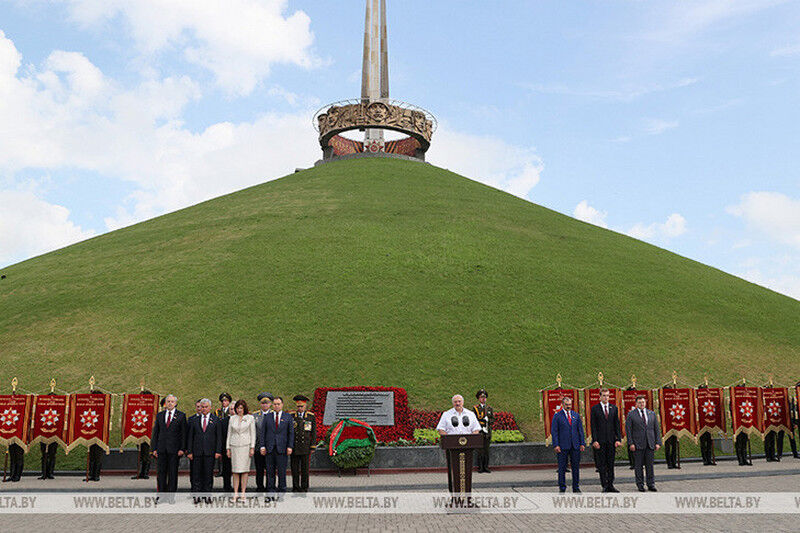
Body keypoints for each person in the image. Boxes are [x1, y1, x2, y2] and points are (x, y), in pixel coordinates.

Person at [151, 394, 186, 496]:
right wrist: (154, 448)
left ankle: (171, 495)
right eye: (168, 401)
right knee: (161, 473)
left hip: (174, 450)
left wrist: (182, 448)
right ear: (165, 403)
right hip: (161, 449)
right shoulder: (160, 415)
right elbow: (156, 433)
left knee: (172, 473)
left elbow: (183, 434)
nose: (170, 403)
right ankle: (161, 495)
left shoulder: (181, 416)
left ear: (176, 403)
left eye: (172, 401)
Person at [625, 395, 662, 492]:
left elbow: (656, 429)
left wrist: (658, 442)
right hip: (637, 444)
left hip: (650, 443)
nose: (642, 404)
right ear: (636, 404)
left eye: (643, 402)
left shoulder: (651, 413)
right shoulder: (631, 414)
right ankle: (640, 484)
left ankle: (651, 484)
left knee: (650, 466)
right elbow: (628, 430)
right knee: (638, 466)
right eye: (639, 402)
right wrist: (631, 443)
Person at [186, 398, 221, 497]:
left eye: (206, 407)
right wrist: (189, 451)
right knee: (196, 475)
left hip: (210, 452)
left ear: (210, 408)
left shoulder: (216, 420)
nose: (204, 409)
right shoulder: (194, 420)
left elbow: (219, 437)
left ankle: (207, 495)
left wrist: (218, 451)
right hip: (197, 452)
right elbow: (190, 437)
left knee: (208, 475)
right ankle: (197, 495)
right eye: (202, 407)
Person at [260, 396, 294, 495]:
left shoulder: (288, 417)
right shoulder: (267, 417)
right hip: (270, 449)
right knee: (270, 472)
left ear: (282, 405)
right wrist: (262, 446)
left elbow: (291, 433)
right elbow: (263, 433)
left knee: (281, 472)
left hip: (282, 449)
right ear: (272, 405)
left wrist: (290, 446)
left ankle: (281, 491)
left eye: (278, 404)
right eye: (275, 404)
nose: (276, 406)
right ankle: (270, 492)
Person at [551, 396, 585, 494]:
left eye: (570, 404)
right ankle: (562, 487)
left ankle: (576, 487)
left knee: (575, 468)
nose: (568, 406)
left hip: (575, 445)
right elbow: (554, 431)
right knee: (562, 468)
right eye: (566, 405)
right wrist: (556, 445)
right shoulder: (557, 416)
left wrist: (582, 443)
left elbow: (580, 430)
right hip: (562, 446)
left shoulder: (575, 415)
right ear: (562, 405)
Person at [590, 388, 621, 493]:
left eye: (607, 395)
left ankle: (611, 484)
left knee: (611, 464)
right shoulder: (595, 409)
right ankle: (604, 485)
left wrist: (618, 439)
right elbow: (593, 426)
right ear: (600, 397)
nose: (606, 397)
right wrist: (595, 440)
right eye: (604, 395)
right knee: (602, 464)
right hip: (600, 441)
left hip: (611, 441)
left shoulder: (614, 408)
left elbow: (617, 425)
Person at [227, 399, 256, 500]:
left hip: (245, 446)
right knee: (235, 471)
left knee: (244, 471)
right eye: (238, 408)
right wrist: (228, 448)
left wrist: (252, 447)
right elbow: (229, 434)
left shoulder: (250, 418)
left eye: (241, 408)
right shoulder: (232, 419)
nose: (239, 410)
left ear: (244, 409)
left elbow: (253, 433)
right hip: (234, 446)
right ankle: (235, 493)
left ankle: (243, 492)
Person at [291, 394, 316, 493]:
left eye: (302, 406)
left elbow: (313, 432)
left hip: (305, 446)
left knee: (305, 468)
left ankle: (304, 486)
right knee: (294, 469)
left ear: (305, 406)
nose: (300, 408)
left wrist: (312, 446)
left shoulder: (310, 416)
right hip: (295, 446)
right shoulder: (292, 416)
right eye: (298, 406)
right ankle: (295, 486)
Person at [253, 392, 274, 491]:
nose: (265, 405)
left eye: (267, 403)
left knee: (270, 469)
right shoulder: (255, 415)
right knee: (259, 469)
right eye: (263, 403)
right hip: (258, 446)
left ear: (270, 404)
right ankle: (260, 487)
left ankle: (270, 486)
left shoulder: (274, 415)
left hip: (270, 447)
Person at [215, 392, 233, 491]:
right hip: (224, 442)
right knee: (226, 467)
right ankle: (227, 486)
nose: (224, 402)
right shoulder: (218, 412)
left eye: (226, 401)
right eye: (222, 401)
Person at [473, 389, 494, 473]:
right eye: (481, 397)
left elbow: (492, 419)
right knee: (480, 450)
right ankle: (480, 467)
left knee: (486, 450)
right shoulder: (476, 408)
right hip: (480, 431)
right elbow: (474, 420)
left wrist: (488, 421)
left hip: (487, 431)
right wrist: (481, 426)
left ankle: (486, 467)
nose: (483, 399)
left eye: (484, 397)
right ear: (478, 398)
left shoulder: (489, 408)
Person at [39, 391, 59, 480]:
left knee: (52, 454)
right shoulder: (43, 409)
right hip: (43, 433)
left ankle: (50, 472)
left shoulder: (58, 409)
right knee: (44, 454)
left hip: (54, 435)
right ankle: (43, 473)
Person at [661, 384, 680, 469]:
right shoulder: (662, 400)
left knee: (674, 446)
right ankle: (669, 463)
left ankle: (674, 462)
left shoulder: (674, 400)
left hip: (675, 425)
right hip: (667, 426)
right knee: (668, 446)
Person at [697, 383, 716, 466]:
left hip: (709, 423)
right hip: (701, 424)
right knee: (703, 443)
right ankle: (704, 459)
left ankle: (709, 459)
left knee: (709, 443)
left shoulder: (709, 400)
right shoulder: (697, 400)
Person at [186, 400, 202, 483]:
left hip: (205, 450)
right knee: (194, 470)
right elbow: (188, 435)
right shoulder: (191, 419)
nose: (199, 408)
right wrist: (188, 450)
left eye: (201, 406)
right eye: (198, 407)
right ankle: (193, 486)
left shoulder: (211, 419)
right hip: (194, 449)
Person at [788, 390, 800, 459]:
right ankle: (779, 454)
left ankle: (795, 453)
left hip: (792, 421)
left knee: (792, 438)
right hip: (783, 421)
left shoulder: (793, 400)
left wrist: (795, 422)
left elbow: (795, 411)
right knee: (780, 438)